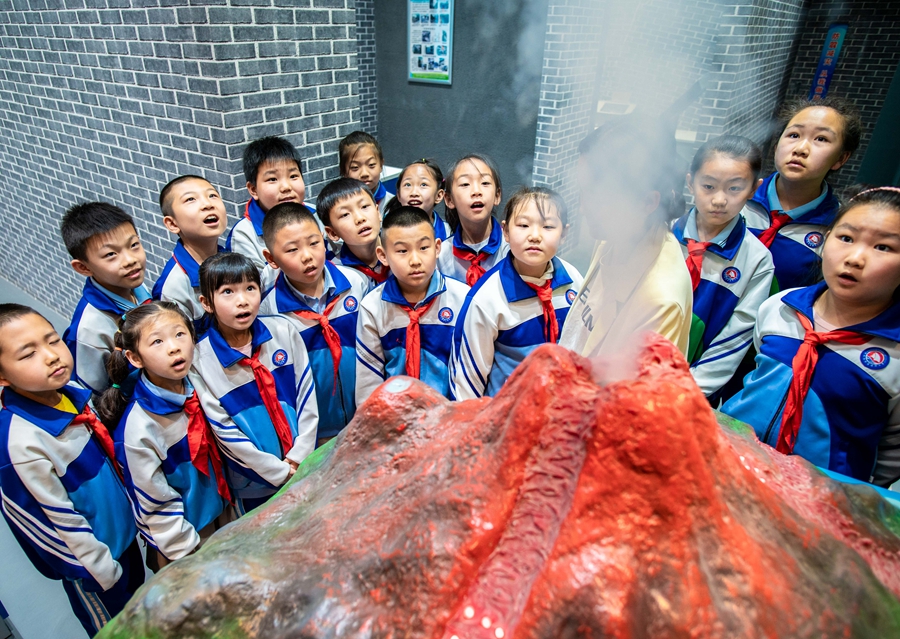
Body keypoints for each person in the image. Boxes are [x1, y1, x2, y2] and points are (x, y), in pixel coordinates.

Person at [723, 187, 900, 488]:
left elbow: (891, 455)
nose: (855, 258)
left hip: (819, 501)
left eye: (883, 247)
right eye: (846, 238)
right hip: (730, 464)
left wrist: (850, 494)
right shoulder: (780, 307)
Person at [0, 304, 143, 636]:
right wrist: (102, 573)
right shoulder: (19, 444)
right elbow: (51, 522)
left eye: (52, 340)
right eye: (27, 354)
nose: (52, 356)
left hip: (122, 541)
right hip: (94, 570)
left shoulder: (71, 395)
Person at [96, 302, 230, 571]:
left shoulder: (198, 385)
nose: (173, 347)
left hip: (222, 512)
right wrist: (187, 551)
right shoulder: (139, 428)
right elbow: (154, 501)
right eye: (157, 341)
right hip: (188, 539)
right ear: (135, 358)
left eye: (179, 334)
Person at [189, 253, 318, 515]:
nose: (243, 300)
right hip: (253, 484)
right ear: (206, 303)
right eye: (227, 292)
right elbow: (223, 430)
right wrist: (278, 472)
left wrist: (300, 456)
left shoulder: (283, 331)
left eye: (250, 288)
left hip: (303, 467)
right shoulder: (199, 360)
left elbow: (306, 396)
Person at [559, 114, 692, 359]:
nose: (582, 208)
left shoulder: (660, 299)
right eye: (583, 191)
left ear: (648, 202)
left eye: (598, 197)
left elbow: (630, 395)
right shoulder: (615, 233)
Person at [450, 187, 583, 400]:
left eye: (548, 226)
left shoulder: (574, 281)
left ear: (564, 233)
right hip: (507, 419)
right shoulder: (487, 298)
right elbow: (467, 381)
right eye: (523, 225)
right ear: (505, 232)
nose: (535, 236)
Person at [671, 135, 774, 401]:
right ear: (690, 182)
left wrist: (688, 390)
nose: (719, 200)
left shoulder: (756, 259)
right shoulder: (663, 234)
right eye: (708, 186)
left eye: (734, 189)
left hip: (693, 390)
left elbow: (735, 337)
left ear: (754, 190)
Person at [259, 203, 368, 443]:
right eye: (292, 250)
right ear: (271, 259)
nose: (307, 255)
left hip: (366, 415)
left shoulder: (356, 283)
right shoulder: (269, 313)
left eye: (314, 243)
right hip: (316, 433)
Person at [742, 96, 861, 292]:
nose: (800, 149)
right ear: (776, 145)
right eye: (794, 135)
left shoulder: (839, 226)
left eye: (821, 139)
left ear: (841, 158)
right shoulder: (736, 198)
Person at [356, 206, 469, 403]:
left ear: (437, 247)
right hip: (393, 419)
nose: (415, 260)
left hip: (449, 415)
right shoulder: (372, 307)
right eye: (402, 251)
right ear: (383, 256)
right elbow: (369, 379)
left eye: (423, 248)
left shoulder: (462, 299)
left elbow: (467, 371)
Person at [61, 201, 151, 395]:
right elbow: (96, 399)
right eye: (111, 254)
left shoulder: (137, 287)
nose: (130, 260)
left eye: (134, 245)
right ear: (83, 267)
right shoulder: (88, 330)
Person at [227, 136, 308, 291]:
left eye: (293, 176)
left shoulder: (315, 214)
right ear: (253, 189)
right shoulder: (243, 234)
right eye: (272, 179)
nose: (286, 186)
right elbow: (253, 289)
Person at [153, 175, 228, 333]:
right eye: (190, 199)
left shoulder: (231, 257)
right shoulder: (172, 287)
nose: (208, 204)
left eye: (212, 195)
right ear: (172, 224)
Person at [437, 153, 508, 286]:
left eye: (485, 183)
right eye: (465, 184)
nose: (476, 191)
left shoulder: (512, 250)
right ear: (449, 199)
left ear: (497, 195)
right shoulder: (440, 256)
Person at [317, 177, 389, 291]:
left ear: (378, 212)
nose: (360, 218)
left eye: (364, 207)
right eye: (345, 214)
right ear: (332, 233)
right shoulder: (336, 273)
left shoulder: (402, 251)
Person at [385, 159, 450, 241]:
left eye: (423, 184)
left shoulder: (449, 234)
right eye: (408, 185)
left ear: (439, 195)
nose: (414, 192)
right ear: (398, 195)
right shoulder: (388, 234)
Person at [338, 130, 393, 214]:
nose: (364, 173)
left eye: (371, 165)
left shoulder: (395, 206)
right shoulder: (334, 209)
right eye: (355, 167)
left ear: (381, 165)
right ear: (344, 171)